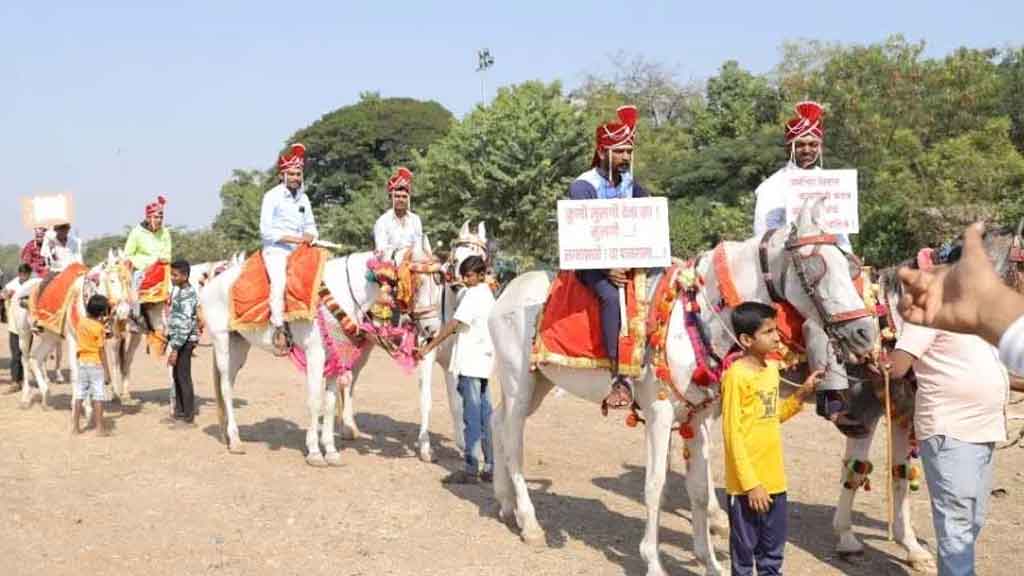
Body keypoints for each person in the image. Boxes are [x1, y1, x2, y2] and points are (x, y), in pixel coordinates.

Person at [887, 292, 1007, 576]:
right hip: (949, 430)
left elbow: (990, 372)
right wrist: (884, 365)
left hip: (986, 430)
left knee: (972, 520)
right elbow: (898, 366)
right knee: (957, 524)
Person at [721, 302, 821, 576]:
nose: (777, 337)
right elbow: (732, 434)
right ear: (746, 340)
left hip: (775, 482)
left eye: (776, 330)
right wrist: (751, 485)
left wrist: (801, 394)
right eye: (768, 332)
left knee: (772, 556)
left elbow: (771, 416)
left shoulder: (771, 370)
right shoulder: (736, 377)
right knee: (744, 558)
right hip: (746, 488)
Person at [568, 104, 649, 411]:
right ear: (603, 152)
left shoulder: (632, 184)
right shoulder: (583, 186)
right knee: (612, 298)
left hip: (630, 262)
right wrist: (606, 268)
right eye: (620, 152)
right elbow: (580, 236)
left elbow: (648, 220)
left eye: (629, 151)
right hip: (593, 265)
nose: (626, 157)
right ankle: (618, 375)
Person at [416, 255, 495, 484]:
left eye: (470, 276)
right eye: (464, 276)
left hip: (470, 363)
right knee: (485, 416)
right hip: (484, 362)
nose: (466, 280)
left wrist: (429, 346)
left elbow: (453, 324)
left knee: (471, 417)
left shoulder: (473, 294)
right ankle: (490, 465)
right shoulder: (488, 294)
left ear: (481, 275)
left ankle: (470, 468)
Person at [752, 101, 851, 249]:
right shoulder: (772, 186)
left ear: (820, 148)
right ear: (788, 149)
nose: (807, 150)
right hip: (787, 257)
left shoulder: (833, 183)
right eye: (800, 145)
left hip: (828, 256)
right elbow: (764, 235)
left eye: (813, 144)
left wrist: (847, 257)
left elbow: (842, 238)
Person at [259, 143, 318, 355]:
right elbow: (266, 231)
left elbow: (311, 226)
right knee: (280, 283)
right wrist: (296, 239)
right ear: (282, 175)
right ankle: (279, 329)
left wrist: (310, 236)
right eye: (291, 174)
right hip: (276, 250)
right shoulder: (271, 196)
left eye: (298, 174)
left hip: (301, 250)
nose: (295, 177)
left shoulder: (304, 198)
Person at [124, 195, 173, 318]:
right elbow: (128, 255)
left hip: (162, 268)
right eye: (156, 217)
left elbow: (167, 253)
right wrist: (143, 264)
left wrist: (161, 260)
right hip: (142, 271)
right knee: (135, 286)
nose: (159, 220)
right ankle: (135, 316)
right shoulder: (136, 232)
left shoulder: (165, 232)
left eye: (161, 217)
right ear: (148, 217)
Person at [165, 259, 199, 427]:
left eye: (175, 275)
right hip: (177, 339)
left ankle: (188, 417)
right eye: (171, 274)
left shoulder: (188, 295)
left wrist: (175, 348)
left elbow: (185, 324)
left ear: (185, 276)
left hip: (184, 342)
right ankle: (179, 412)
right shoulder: (178, 291)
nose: (172, 278)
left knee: (183, 377)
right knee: (176, 376)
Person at [72, 294, 111, 436]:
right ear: (101, 312)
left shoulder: (81, 323)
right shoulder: (99, 328)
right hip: (95, 363)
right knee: (98, 396)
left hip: (82, 362)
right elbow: (101, 350)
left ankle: (76, 427)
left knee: (79, 395)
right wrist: (107, 372)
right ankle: (99, 428)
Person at [374, 167, 426, 257]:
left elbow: (418, 247)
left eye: (404, 197)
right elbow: (381, 250)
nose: (401, 200)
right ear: (391, 199)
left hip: (413, 261)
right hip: (390, 263)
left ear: (408, 199)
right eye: (397, 196)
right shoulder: (382, 221)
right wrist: (402, 255)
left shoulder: (415, 220)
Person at [2, 264, 32, 393]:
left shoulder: (32, 285)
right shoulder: (12, 285)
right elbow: (3, 295)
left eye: (26, 275)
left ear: (29, 275)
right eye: (22, 274)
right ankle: (15, 381)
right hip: (14, 326)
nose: (24, 277)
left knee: (26, 354)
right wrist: (7, 295)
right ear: (19, 274)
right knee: (15, 354)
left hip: (28, 327)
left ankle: (23, 380)